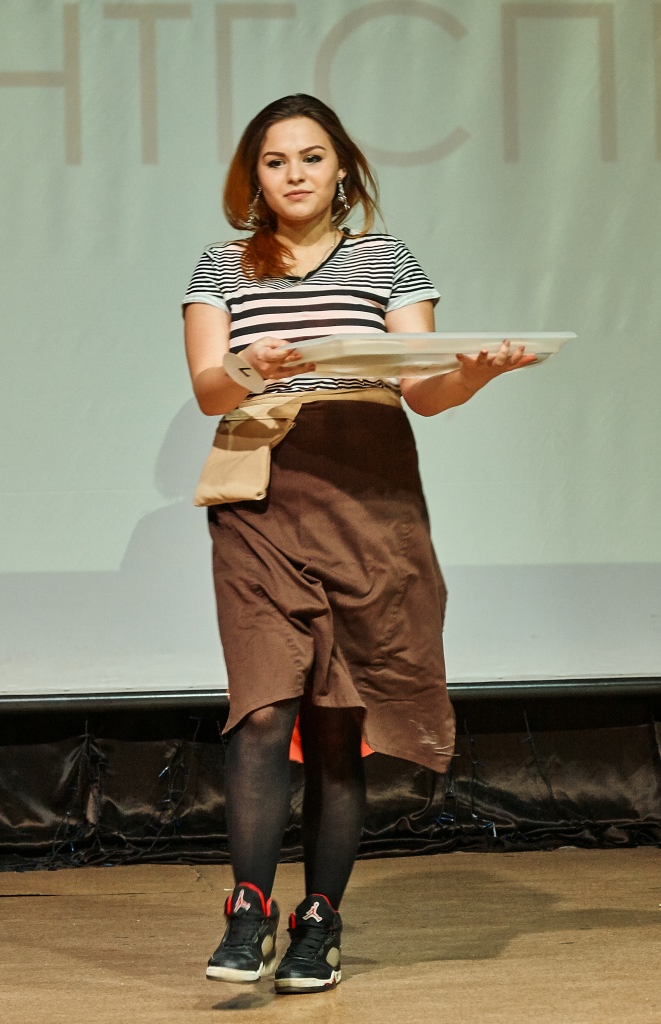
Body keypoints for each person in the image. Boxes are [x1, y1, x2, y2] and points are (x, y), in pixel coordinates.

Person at [182, 94, 534, 995]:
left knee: (338, 724)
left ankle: (319, 924)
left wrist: (472, 375)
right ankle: (249, 909)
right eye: (275, 160)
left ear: (341, 167)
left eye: (311, 157)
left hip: (369, 500)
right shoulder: (221, 265)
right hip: (261, 493)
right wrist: (252, 368)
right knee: (264, 709)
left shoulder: (389, 259)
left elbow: (425, 391)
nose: (294, 174)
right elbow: (210, 389)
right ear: (254, 175)